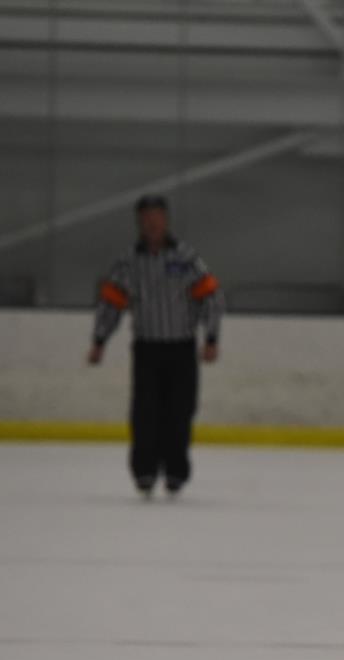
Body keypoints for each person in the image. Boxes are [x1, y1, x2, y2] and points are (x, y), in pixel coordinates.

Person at [87, 194, 224, 498]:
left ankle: (176, 471)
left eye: (157, 216)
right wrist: (99, 340)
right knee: (145, 412)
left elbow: (210, 297)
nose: (152, 222)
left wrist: (211, 338)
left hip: (181, 348)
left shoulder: (186, 258)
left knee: (180, 411)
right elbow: (111, 303)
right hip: (147, 348)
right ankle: (145, 470)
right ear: (139, 222)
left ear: (166, 219)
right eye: (146, 217)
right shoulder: (128, 262)